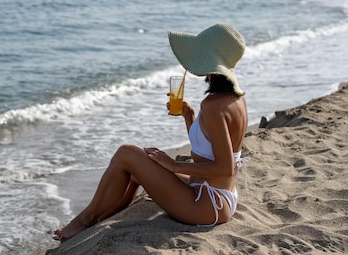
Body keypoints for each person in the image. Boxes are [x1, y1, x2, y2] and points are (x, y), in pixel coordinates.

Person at [53, 23, 248, 241]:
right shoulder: (236, 99)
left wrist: (173, 165)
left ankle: (84, 220)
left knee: (126, 153)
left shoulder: (212, 105)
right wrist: (189, 116)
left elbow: (225, 168)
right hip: (220, 196)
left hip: (207, 205)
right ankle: (103, 218)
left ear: (210, 61)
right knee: (139, 171)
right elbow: (210, 149)